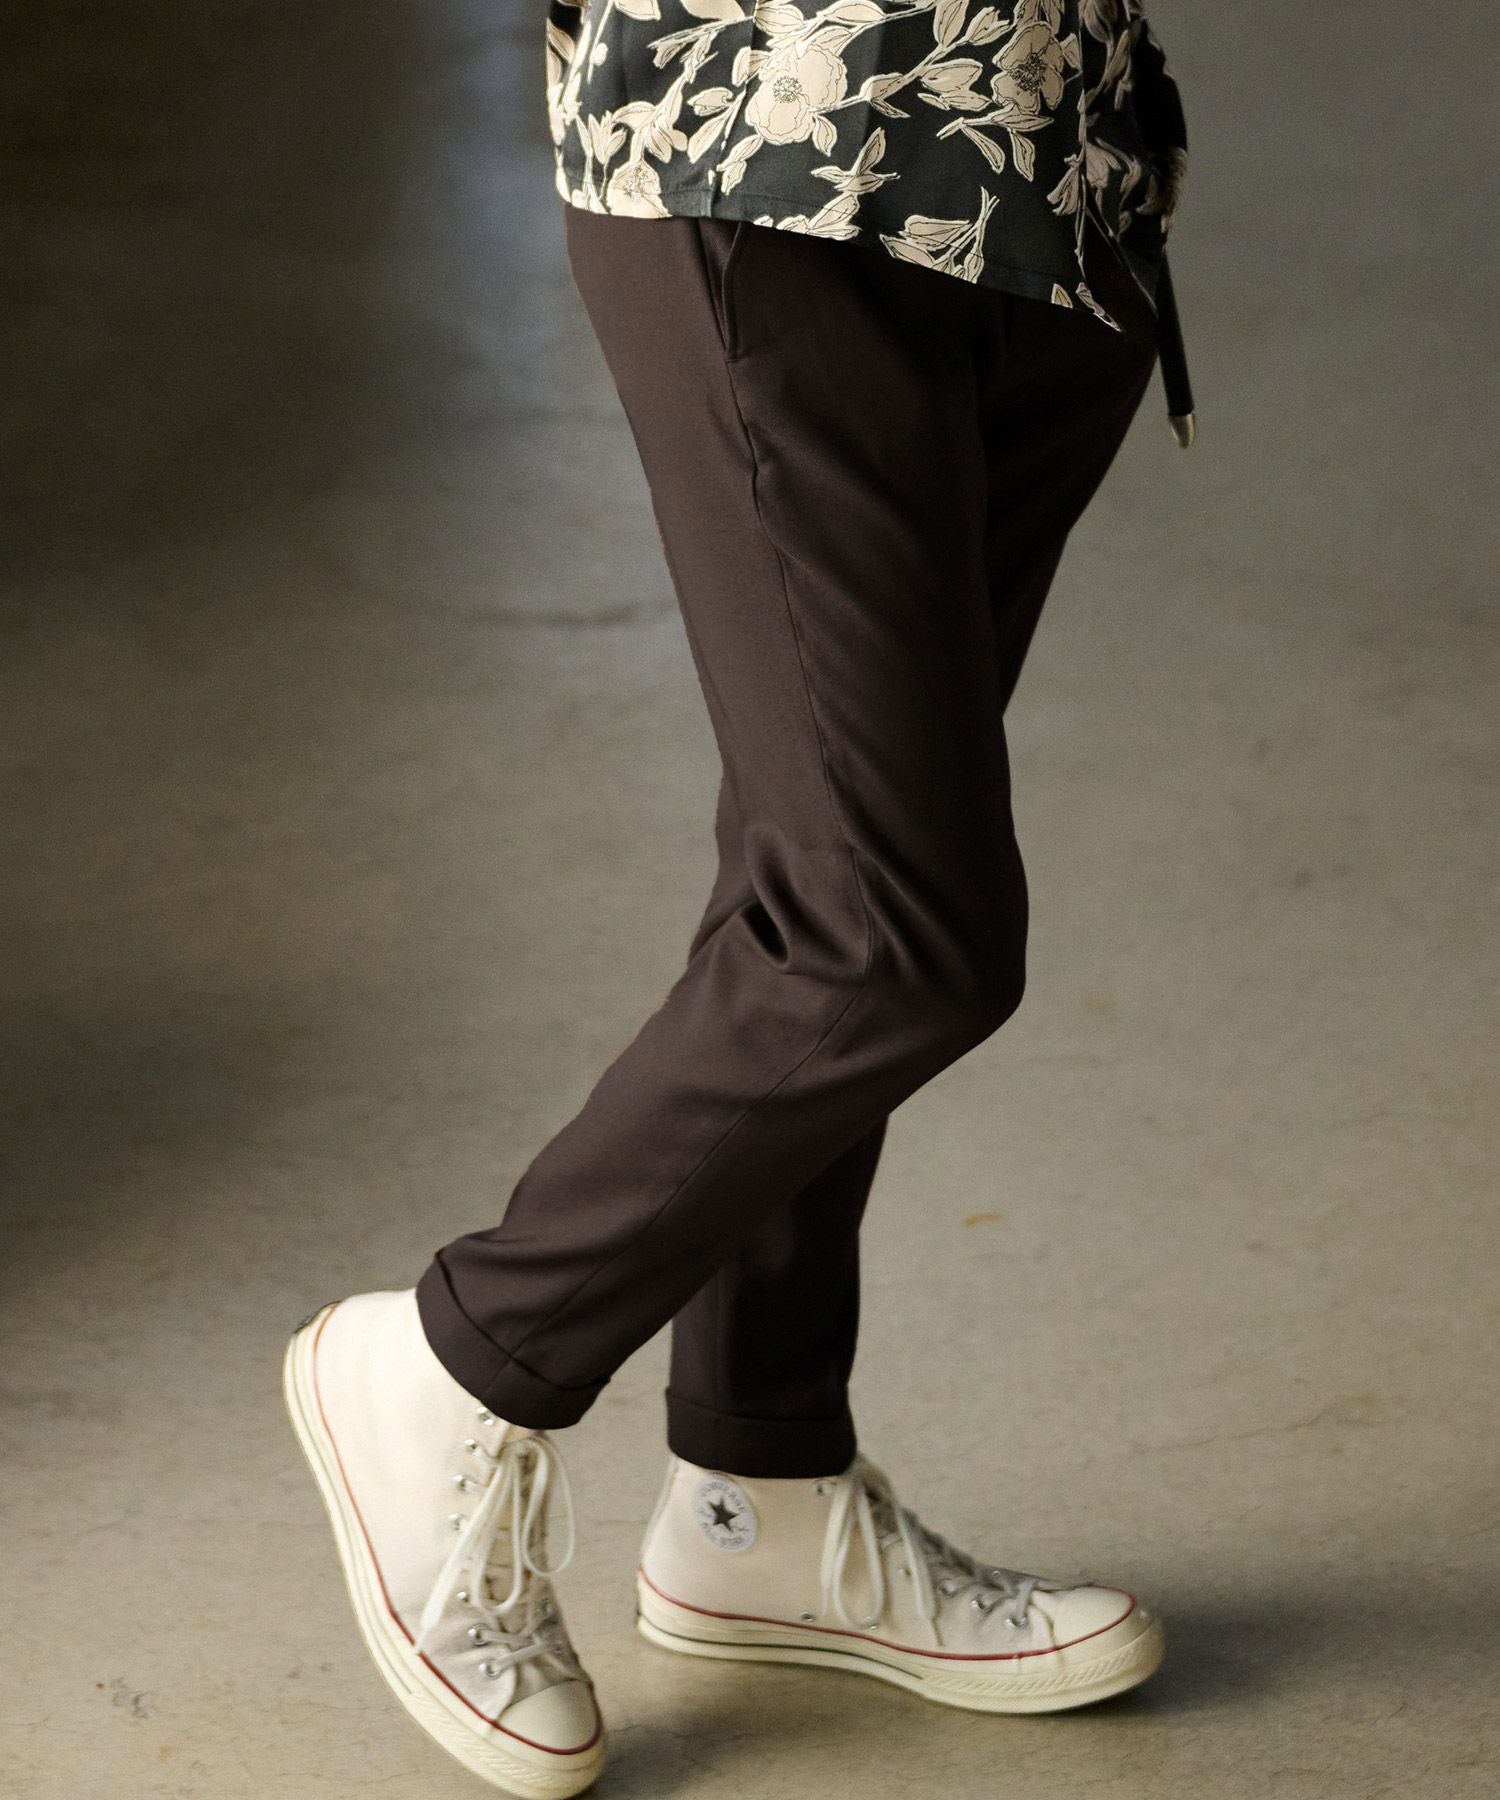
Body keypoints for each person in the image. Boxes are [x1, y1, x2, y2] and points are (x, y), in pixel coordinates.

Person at [282, 2, 1193, 1792]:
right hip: (772, 139)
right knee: (884, 934)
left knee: (820, 850)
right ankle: (458, 1361)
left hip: (1041, 153)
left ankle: (760, 1486)